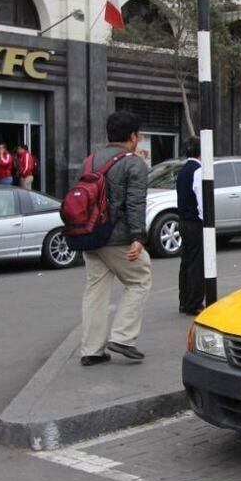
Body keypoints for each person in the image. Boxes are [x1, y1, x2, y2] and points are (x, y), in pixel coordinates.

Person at [79, 111, 152, 366]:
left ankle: (91, 350)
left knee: (95, 290)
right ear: (132, 136)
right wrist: (138, 237)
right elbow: (135, 203)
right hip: (116, 237)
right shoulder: (134, 163)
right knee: (140, 278)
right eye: (138, 135)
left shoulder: (91, 160)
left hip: (88, 235)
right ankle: (123, 336)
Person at [176, 137, 206, 315]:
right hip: (195, 222)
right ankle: (194, 303)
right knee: (196, 263)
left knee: (186, 262)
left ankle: (184, 300)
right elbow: (201, 199)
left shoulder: (183, 170)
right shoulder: (198, 171)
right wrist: (206, 221)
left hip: (183, 221)